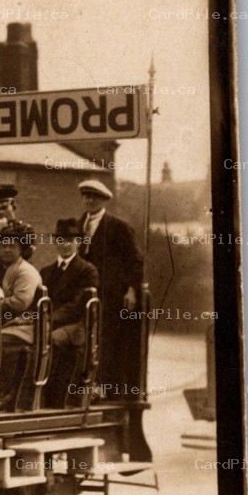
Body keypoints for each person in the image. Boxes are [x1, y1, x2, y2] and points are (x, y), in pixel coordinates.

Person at [77, 178, 149, 459]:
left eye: (95, 198)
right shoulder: (80, 224)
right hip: (88, 295)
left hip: (113, 295)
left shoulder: (118, 227)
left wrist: (131, 289)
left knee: (107, 343)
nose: (90, 202)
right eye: (86, 197)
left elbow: (135, 260)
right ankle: (88, 386)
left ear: (104, 200)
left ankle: (104, 388)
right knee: (87, 340)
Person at [40, 217, 100, 407]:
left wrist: (48, 320)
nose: (65, 245)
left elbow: (77, 306)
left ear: (79, 242)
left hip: (75, 325)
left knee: (51, 339)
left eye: (70, 240)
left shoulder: (87, 270)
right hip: (48, 322)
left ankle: (54, 399)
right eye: (60, 240)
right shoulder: (46, 271)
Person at [0, 221, 44, 408]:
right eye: (3, 245)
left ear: (22, 249)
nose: (6, 250)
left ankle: (5, 391)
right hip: (0, 323)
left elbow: (20, 303)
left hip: (24, 325)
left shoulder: (26, 271)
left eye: (12, 246)